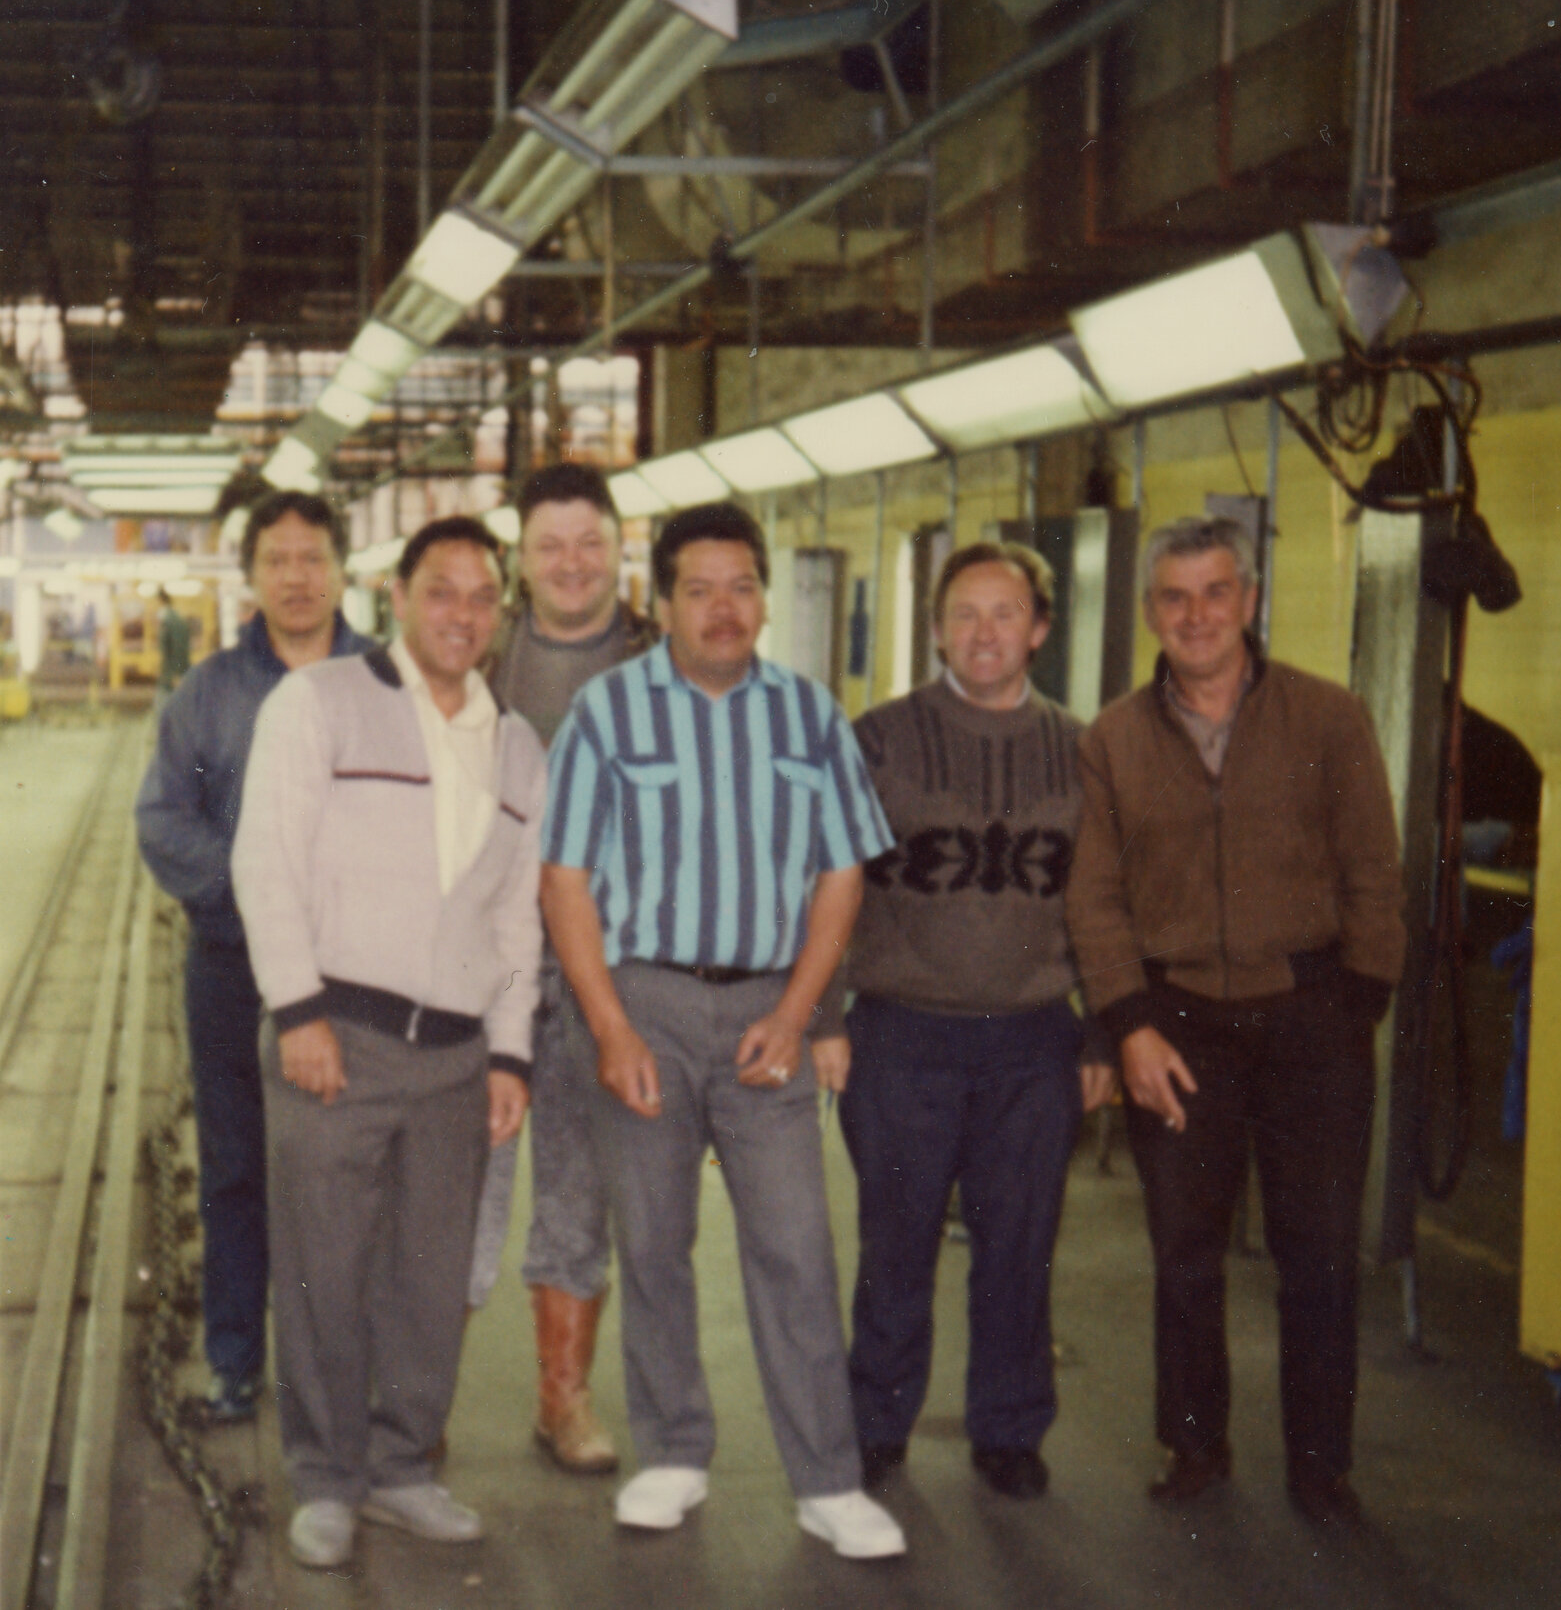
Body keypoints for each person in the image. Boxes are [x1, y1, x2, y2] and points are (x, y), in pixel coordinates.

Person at [540, 502, 906, 1560]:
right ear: (658, 606)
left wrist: (796, 1010)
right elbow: (563, 881)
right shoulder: (605, 715)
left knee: (794, 1246)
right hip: (641, 1003)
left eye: (741, 585)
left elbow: (842, 870)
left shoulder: (809, 716)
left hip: (762, 1011)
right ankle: (672, 1452)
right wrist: (608, 1026)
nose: (722, 608)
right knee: (652, 1240)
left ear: (762, 595)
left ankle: (827, 1481)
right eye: (697, 589)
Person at [1064, 514, 1406, 1529]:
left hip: (1310, 1018)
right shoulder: (1114, 739)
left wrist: (1354, 1008)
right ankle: (1194, 1442)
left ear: (1248, 601)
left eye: (1215, 592)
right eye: (1174, 597)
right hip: (1176, 1025)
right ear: (1149, 613)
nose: (1196, 615)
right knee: (1182, 1248)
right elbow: (1093, 896)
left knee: (1317, 1247)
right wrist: (1128, 1022)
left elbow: (1373, 874)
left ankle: (1317, 1463)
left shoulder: (1327, 718)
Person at [232, 516, 546, 1572]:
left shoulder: (515, 745)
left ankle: (402, 1467)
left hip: (457, 1057)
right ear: (400, 596)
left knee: (426, 1271)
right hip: (342, 1035)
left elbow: (515, 928)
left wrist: (508, 1051)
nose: (462, 612)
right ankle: (325, 1477)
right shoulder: (318, 703)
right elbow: (265, 862)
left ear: (499, 614)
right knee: (322, 1261)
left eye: (480, 595)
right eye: (441, 590)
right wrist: (297, 1009)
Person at [832, 541, 1115, 1501]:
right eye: (964, 613)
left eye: (1005, 613)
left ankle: (1007, 1428)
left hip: (1033, 1039)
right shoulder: (877, 739)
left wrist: (1103, 1032)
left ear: (1038, 628)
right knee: (896, 1240)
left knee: (1020, 1245)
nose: (983, 632)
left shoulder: (1086, 750)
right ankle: (875, 1423)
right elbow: (827, 882)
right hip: (903, 1034)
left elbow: (1105, 903)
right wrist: (826, 1014)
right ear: (939, 627)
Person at [135, 491, 369, 1422]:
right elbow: (164, 821)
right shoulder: (208, 694)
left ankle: (340, 1371)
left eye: (313, 558)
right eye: (278, 560)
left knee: (345, 1176)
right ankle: (236, 1360)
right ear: (252, 576)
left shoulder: (385, 683)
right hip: (232, 967)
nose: (297, 577)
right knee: (235, 1165)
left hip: (356, 976)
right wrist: (264, 900)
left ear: (343, 569)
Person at [465, 461, 654, 1474]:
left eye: (591, 542)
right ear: (521, 560)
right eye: (551, 545)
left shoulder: (664, 661)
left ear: (619, 547)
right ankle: (417, 1396)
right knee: (457, 1182)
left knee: (581, 1188)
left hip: (607, 973)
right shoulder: (478, 660)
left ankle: (562, 1401)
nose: (572, 563)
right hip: (485, 963)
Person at [155, 586, 192, 694]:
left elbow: (177, 648)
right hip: (174, 672)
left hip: (172, 674)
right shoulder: (175, 619)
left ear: (160, 601)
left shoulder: (169, 621)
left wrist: (176, 673)